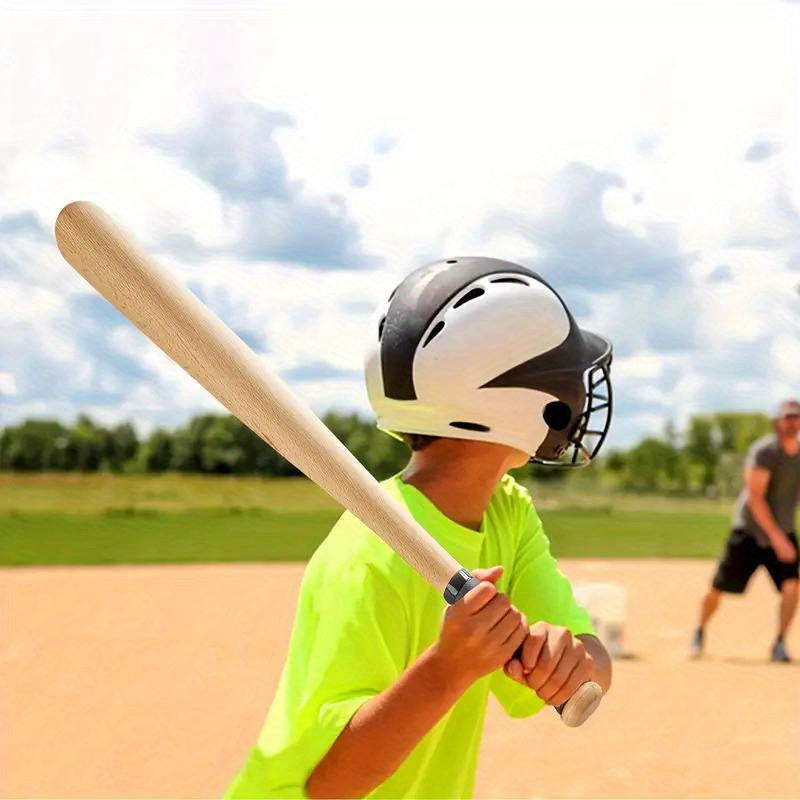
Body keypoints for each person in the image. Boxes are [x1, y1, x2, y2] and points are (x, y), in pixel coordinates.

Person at [226, 258, 614, 799]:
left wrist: (568, 662)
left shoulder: (507, 510)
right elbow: (329, 786)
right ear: (522, 402)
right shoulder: (366, 558)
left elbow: (594, 662)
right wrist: (448, 669)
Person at [691, 400, 800, 662]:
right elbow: (755, 497)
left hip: (783, 529)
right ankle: (700, 630)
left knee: (792, 586)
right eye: (787, 417)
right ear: (777, 422)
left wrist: (783, 537)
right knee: (718, 588)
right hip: (750, 529)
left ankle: (779, 644)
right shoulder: (765, 451)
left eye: (796, 417)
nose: (792, 422)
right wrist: (777, 539)